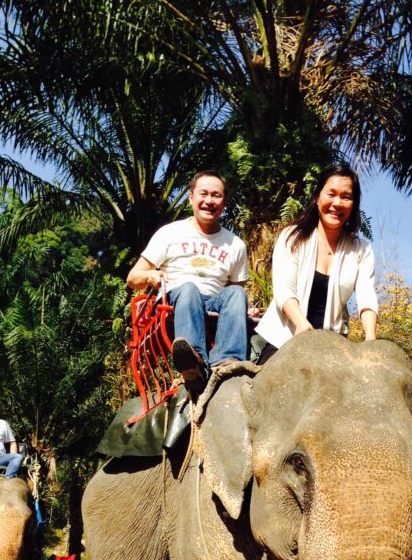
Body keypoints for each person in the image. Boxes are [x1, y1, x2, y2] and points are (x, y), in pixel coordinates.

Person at [126, 170, 249, 395]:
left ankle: (228, 361)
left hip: (214, 301)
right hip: (177, 298)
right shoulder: (170, 233)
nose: (209, 201)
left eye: (216, 195)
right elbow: (133, 278)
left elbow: (236, 290)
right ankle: (194, 360)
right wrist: (150, 276)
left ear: (224, 203)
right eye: (204, 194)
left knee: (237, 295)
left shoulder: (236, 245)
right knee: (189, 288)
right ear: (191, 197)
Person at [254, 162, 378, 363]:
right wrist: (301, 325)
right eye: (331, 194)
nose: (337, 203)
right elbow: (284, 290)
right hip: (284, 340)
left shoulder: (362, 250)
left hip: (332, 347)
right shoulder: (291, 237)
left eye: (346, 197)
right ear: (317, 197)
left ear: (354, 204)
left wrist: (371, 339)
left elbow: (367, 296)